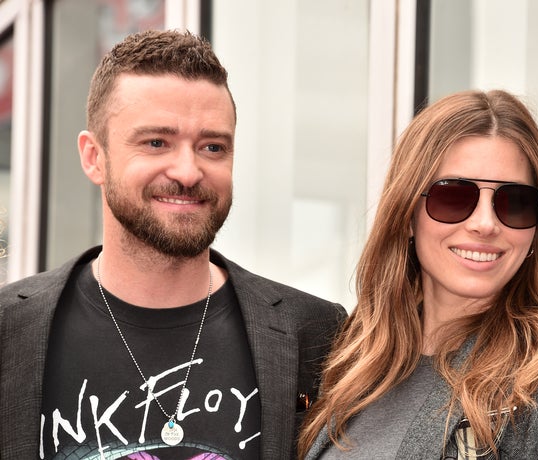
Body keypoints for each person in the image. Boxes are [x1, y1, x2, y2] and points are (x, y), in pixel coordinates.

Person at [0, 29, 346, 460]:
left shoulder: (316, 335)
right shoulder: (9, 328)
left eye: (212, 147)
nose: (188, 171)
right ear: (94, 157)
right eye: (156, 142)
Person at [297, 89, 538, 459]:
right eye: (453, 197)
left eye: (514, 203)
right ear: (407, 216)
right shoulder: (353, 363)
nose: (485, 224)